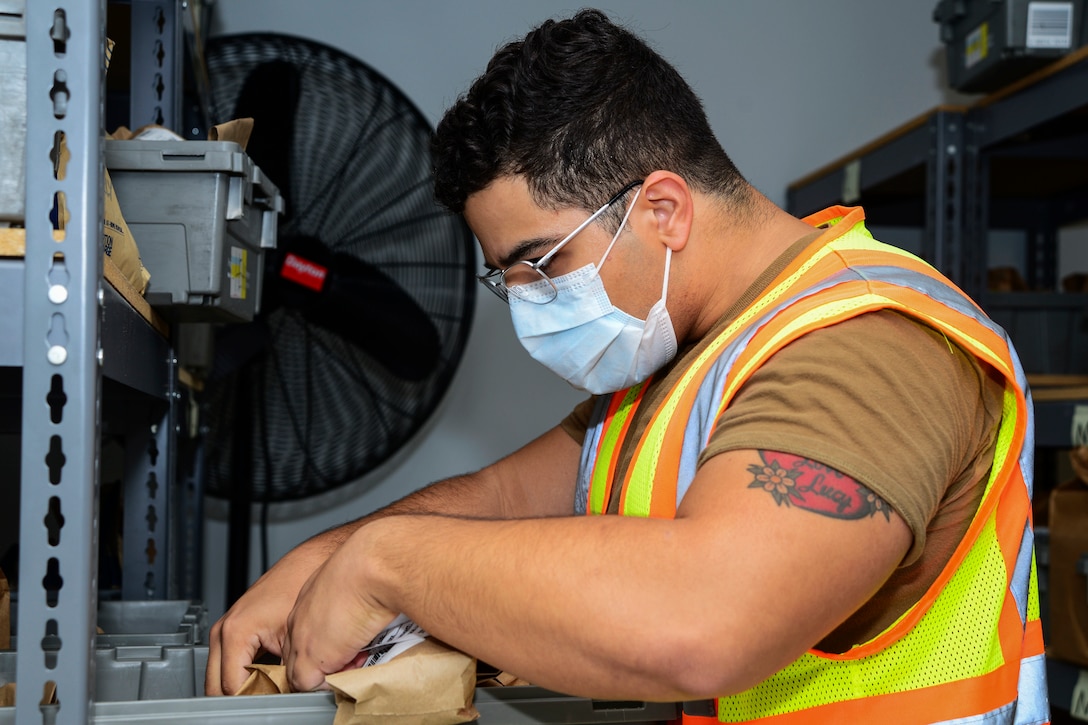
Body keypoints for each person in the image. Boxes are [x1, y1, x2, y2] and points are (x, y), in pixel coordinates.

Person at [206, 9, 1048, 723]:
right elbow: (505, 500)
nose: (528, 303)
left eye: (542, 262)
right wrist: (322, 559)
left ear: (663, 209)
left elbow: (709, 620)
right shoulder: (682, 357)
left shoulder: (867, 345)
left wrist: (386, 563)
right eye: (508, 279)